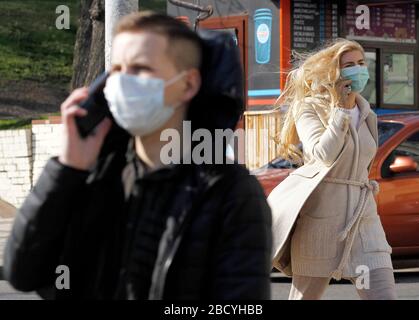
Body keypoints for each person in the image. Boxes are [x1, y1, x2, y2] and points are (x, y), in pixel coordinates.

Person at [3, 11, 272, 300]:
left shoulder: (231, 193)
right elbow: (23, 273)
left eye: (140, 69)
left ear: (188, 84)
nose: (121, 82)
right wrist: (67, 170)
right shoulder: (97, 173)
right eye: (116, 69)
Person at [269, 39, 397, 300]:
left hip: (364, 220)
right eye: (349, 65)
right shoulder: (310, 107)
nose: (358, 69)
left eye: (361, 63)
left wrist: (350, 107)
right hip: (322, 223)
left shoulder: (366, 112)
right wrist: (340, 109)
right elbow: (323, 155)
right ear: (333, 71)